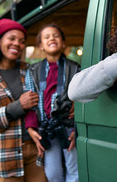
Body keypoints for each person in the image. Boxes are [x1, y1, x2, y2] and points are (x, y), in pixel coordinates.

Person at [0, 18, 47, 182]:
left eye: (21, 41)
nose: (17, 44)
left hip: (37, 153)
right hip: (3, 158)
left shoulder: (31, 71)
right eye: (11, 38)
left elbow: (46, 102)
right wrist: (17, 106)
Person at [24, 24, 80, 182]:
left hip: (68, 126)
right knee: (52, 173)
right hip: (46, 129)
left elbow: (82, 98)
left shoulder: (74, 68)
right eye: (46, 37)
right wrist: (30, 127)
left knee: (73, 170)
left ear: (63, 43)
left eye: (56, 35)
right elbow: (30, 101)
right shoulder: (33, 71)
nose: (51, 39)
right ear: (41, 45)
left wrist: (77, 128)